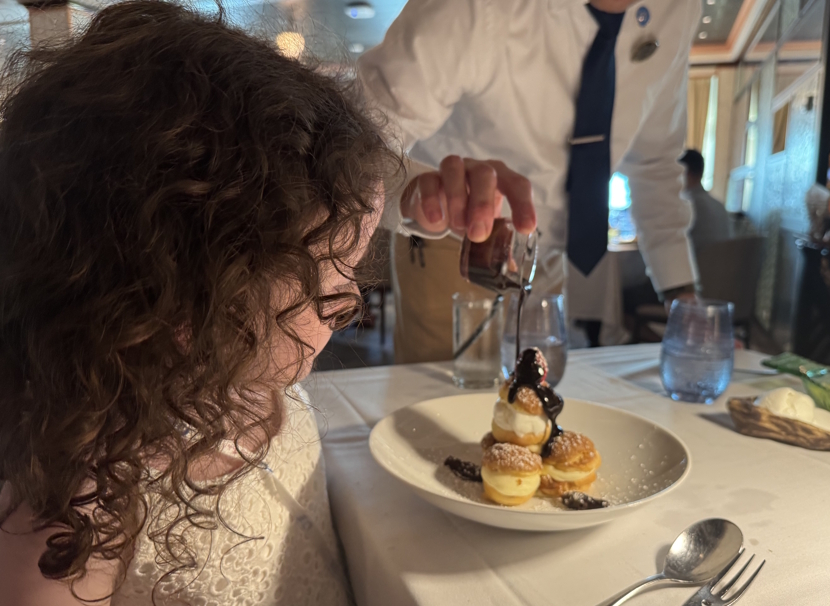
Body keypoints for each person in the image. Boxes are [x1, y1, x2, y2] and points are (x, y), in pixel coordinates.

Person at [0, 3, 403, 604]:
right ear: (178, 291)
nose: (351, 301)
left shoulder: (246, 370)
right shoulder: (73, 503)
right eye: (323, 283)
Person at [359, 0, 703, 362]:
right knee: (441, 397)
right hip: (449, 237)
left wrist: (680, 291)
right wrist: (415, 189)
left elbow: (654, 161)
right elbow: (356, 143)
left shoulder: (678, 10)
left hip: (546, 249)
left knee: (536, 396)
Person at [678, 149, 732, 250]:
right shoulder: (719, 206)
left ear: (686, 173)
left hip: (693, 264)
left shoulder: (685, 205)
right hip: (721, 265)